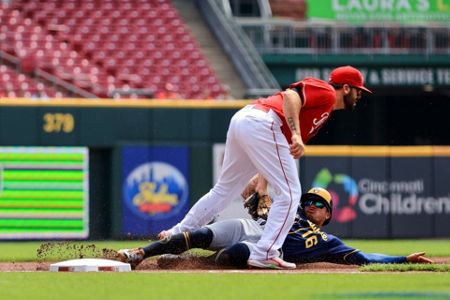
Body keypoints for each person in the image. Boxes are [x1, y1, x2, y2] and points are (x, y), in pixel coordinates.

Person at [156, 65, 372, 269]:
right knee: (290, 193)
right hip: (264, 123)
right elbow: (290, 96)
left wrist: (262, 181)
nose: (360, 95)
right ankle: (265, 253)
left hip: (247, 120)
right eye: (358, 91)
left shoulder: (322, 112)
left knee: (223, 191)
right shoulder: (326, 92)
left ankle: (174, 236)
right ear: (346, 88)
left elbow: (278, 149)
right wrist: (296, 133)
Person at [117, 187, 433, 270]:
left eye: (319, 204)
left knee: (233, 256)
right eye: (308, 200)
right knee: (199, 234)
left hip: (263, 247)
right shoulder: (286, 207)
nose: (311, 205)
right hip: (249, 227)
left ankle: (184, 263)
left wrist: (403, 259)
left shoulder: (327, 240)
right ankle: (138, 254)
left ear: (328, 215)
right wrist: (260, 187)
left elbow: (364, 257)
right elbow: (255, 194)